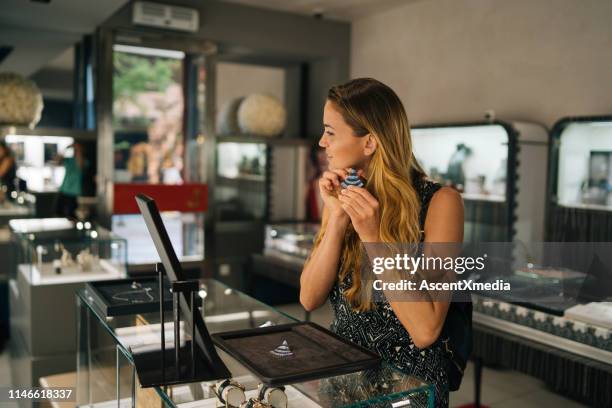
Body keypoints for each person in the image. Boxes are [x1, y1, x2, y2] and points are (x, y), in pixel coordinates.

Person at [299, 78, 465, 407]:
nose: (322, 142)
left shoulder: (441, 203)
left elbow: (425, 331)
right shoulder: (345, 195)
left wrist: (373, 237)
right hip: (343, 382)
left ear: (370, 143)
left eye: (330, 132)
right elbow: (308, 297)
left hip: (408, 391)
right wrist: (335, 218)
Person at [56, 143, 87, 218]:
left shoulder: (84, 162)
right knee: (57, 213)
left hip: (74, 193)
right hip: (63, 190)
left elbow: (80, 164)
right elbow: (57, 161)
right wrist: (65, 148)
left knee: (71, 216)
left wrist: (78, 148)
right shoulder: (69, 160)